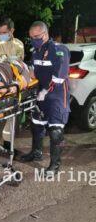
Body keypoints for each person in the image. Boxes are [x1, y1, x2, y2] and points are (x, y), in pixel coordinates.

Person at [21, 21, 70, 176]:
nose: (34, 39)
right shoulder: (36, 50)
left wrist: (46, 92)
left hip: (56, 95)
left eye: (36, 36)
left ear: (45, 33)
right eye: (31, 37)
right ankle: (36, 153)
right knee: (36, 124)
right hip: (41, 93)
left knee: (55, 131)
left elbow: (59, 77)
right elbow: (33, 70)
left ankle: (55, 165)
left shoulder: (58, 49)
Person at [0, 17, 24, 153]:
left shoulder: (19, 45)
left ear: (12, 30)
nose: (1, 35)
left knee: (12, 114)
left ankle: (8, 143)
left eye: (4, 32)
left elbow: (20, 65)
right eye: (0, 32)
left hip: (13, 83)